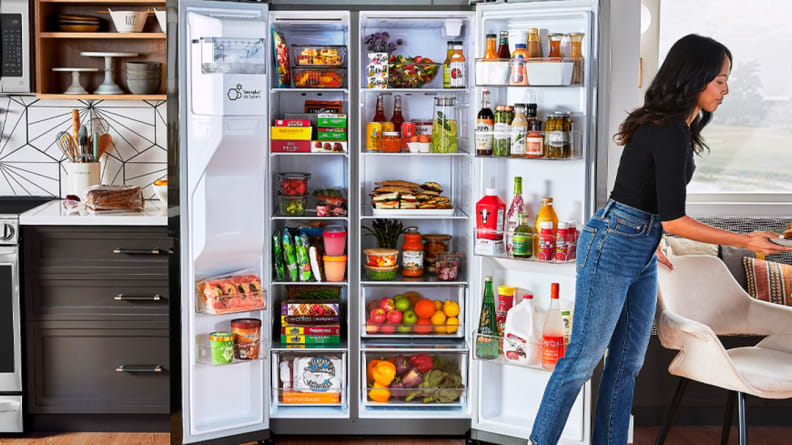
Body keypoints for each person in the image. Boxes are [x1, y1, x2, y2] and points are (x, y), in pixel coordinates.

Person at [528, 34, 792, 445]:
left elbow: (653, 207)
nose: (726, 90)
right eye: (720, 80)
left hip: (640, 245)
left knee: (627, 363)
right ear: (695, 78)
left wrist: (655, 242)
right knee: (581, 360)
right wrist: (747, 240)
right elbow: (673, 219)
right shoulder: (667, 130)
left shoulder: (678, 129)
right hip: (613, 244)